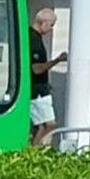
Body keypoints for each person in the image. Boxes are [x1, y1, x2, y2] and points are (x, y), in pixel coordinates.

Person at [27, 8, 60, 146]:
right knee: (49, 125)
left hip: (36, 88)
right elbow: (36, 68)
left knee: (38, 126)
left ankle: (31, 149)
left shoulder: (30, 36)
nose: (51, 29)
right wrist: (56, 61)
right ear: (44, 22)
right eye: (51, 25)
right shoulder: (34, 40)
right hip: (37, 91)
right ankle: (37, 153)